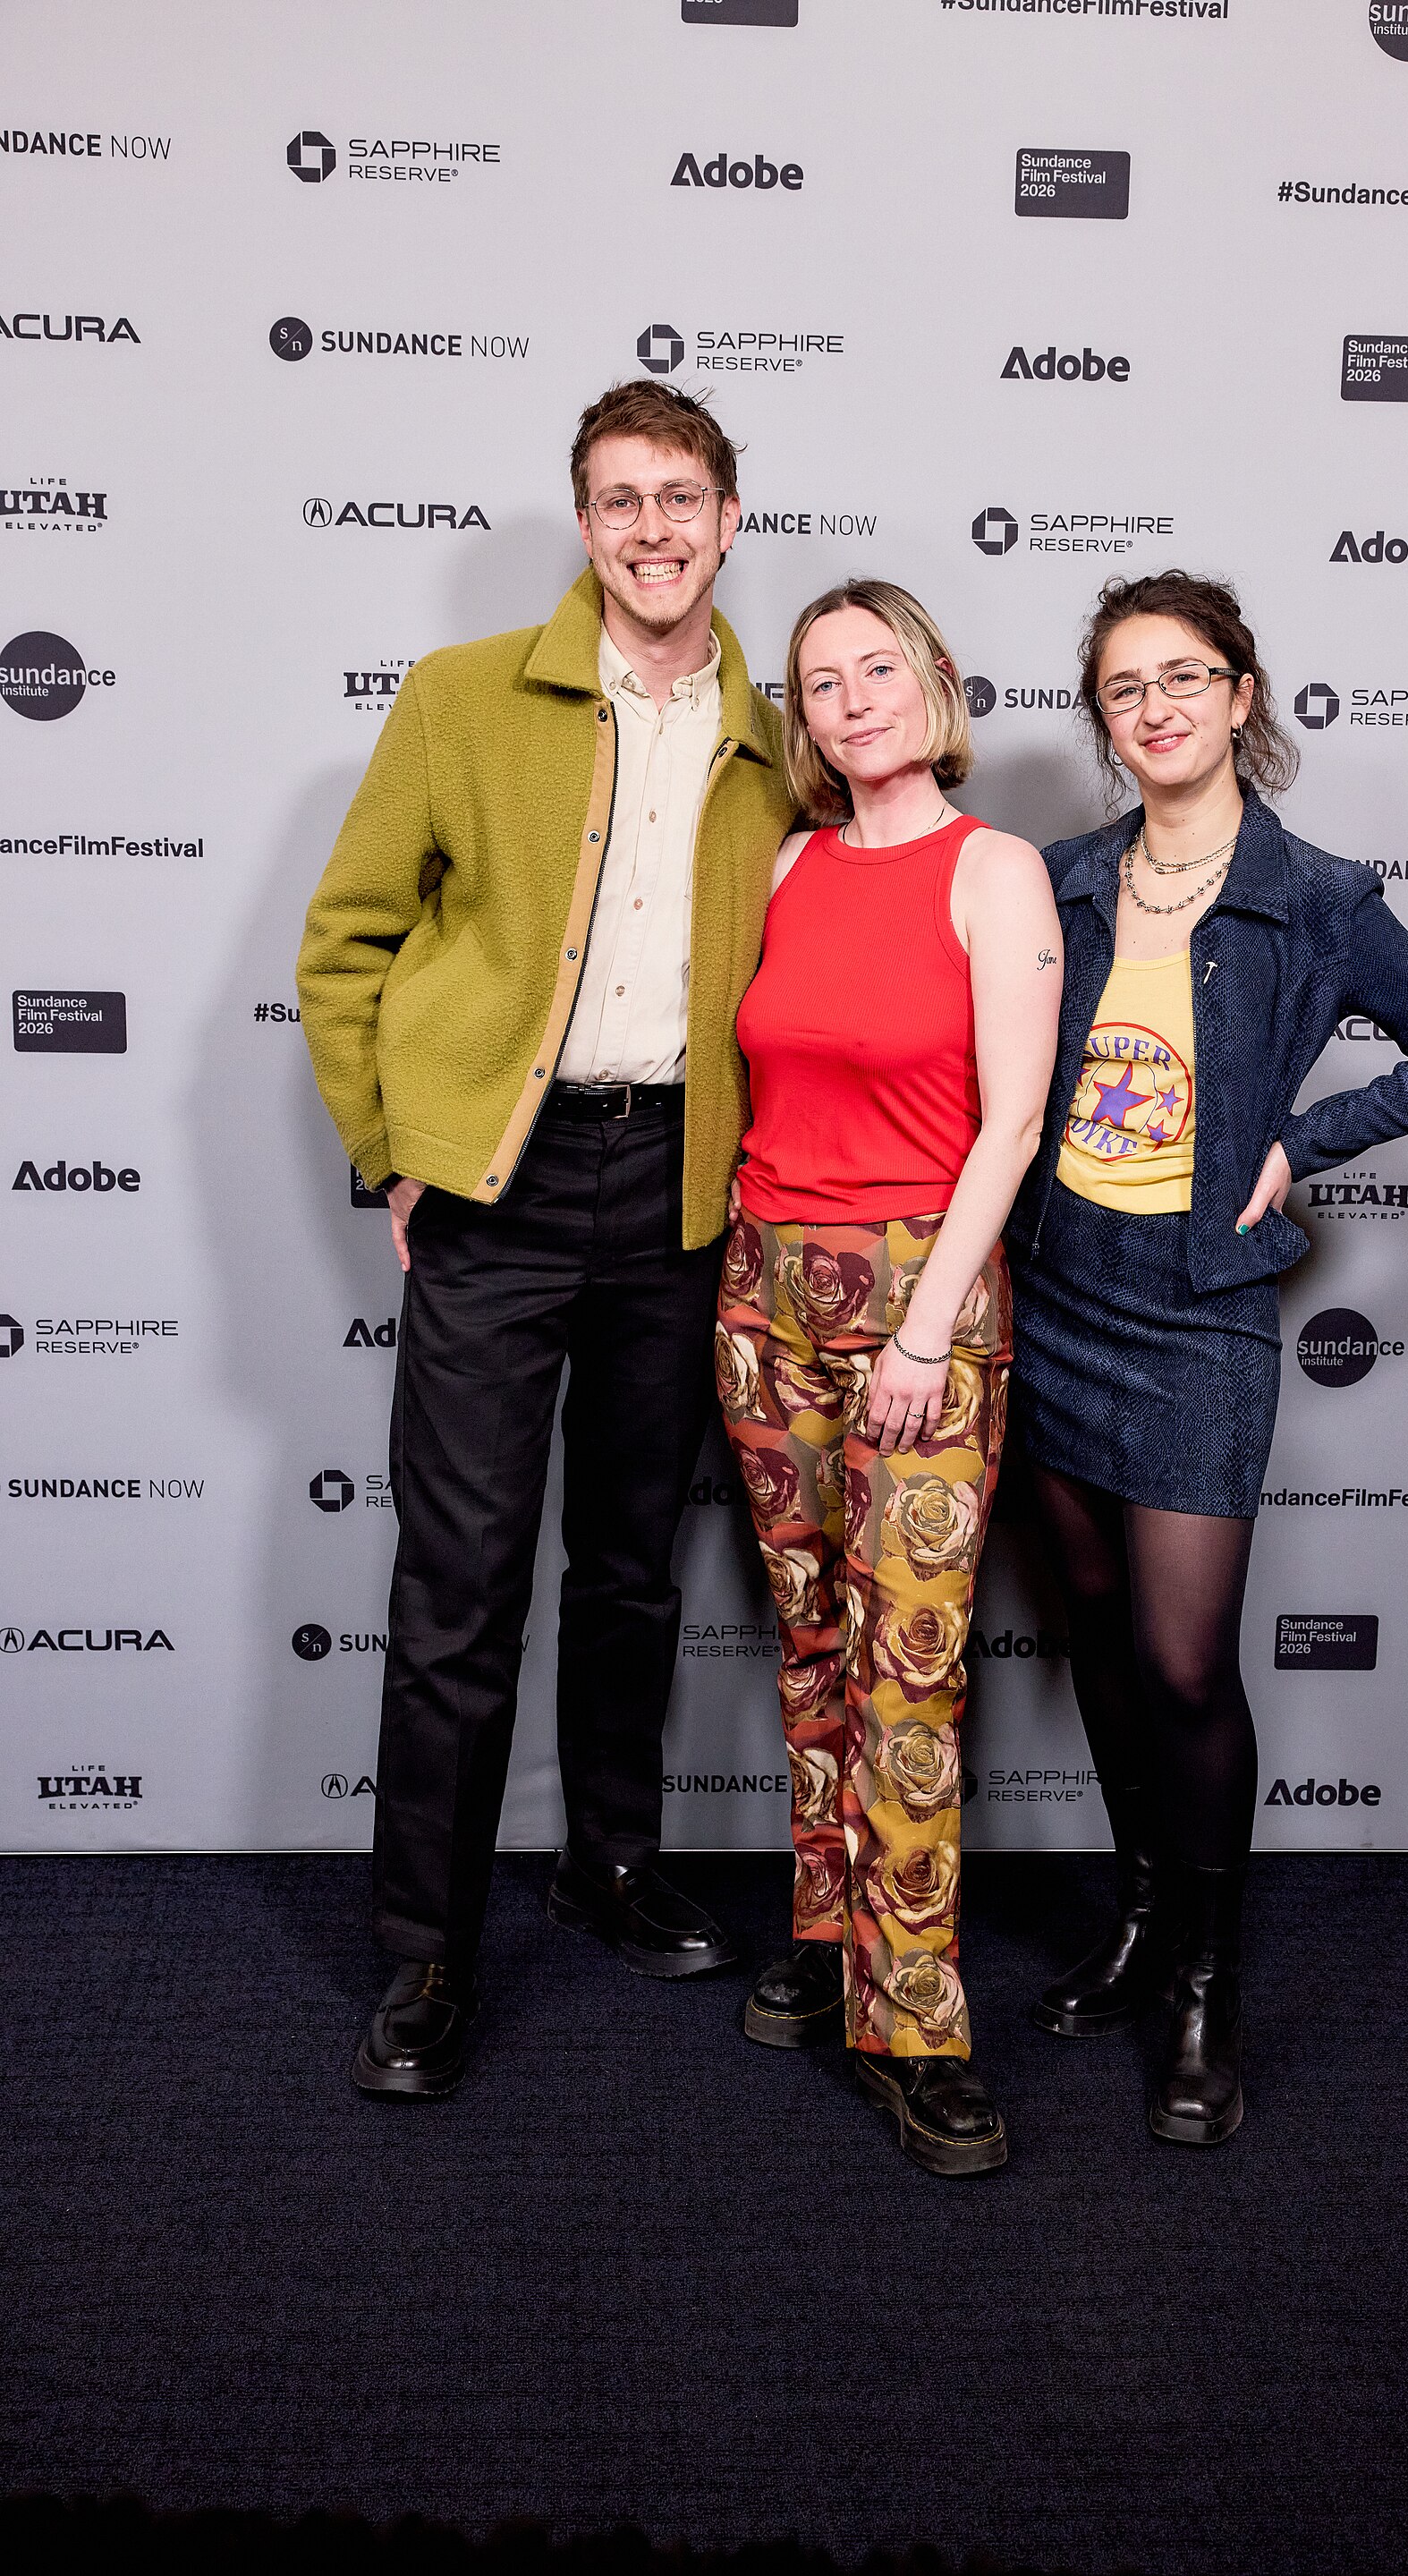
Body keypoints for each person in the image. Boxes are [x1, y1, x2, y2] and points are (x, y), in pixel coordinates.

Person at [296, 379, 795, 2100]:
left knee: (636, 1567)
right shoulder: (462, 700)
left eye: (680, 497)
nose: (652, 528)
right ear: (583, 526)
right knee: (460, 1587)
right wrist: (397, 1150)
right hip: (498, 1196)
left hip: (679, 1193)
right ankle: (427, 1952)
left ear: (733, 517)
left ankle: (610, 1861)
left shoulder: (779, 733)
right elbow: (346, 942)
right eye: (616, 500)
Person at [1009, 571, 1408, 2145]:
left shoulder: (1322, 896)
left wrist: (1302, 1141)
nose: (1153, 708)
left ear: (1242, 694)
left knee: (1180, 1662)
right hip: (1055, 1289)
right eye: (1123, 689)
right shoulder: (1062, 879)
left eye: (1183, 677)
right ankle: (1145, 1912)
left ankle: (1209, 1984)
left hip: (1202, 1314)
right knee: (1089, 1633)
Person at [716, 581, 1062, 2176]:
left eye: (878, 670)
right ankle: (828, 1930)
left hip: (924, 1315)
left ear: (933, 685)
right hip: (761, 1301)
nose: (851, 702)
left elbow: (1011, 1125)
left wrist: (928, 1329)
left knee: (905, 1663)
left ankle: (914, 2021)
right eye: (819, 684)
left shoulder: (996, 874)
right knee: (806, 1644)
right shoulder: (786, 865)